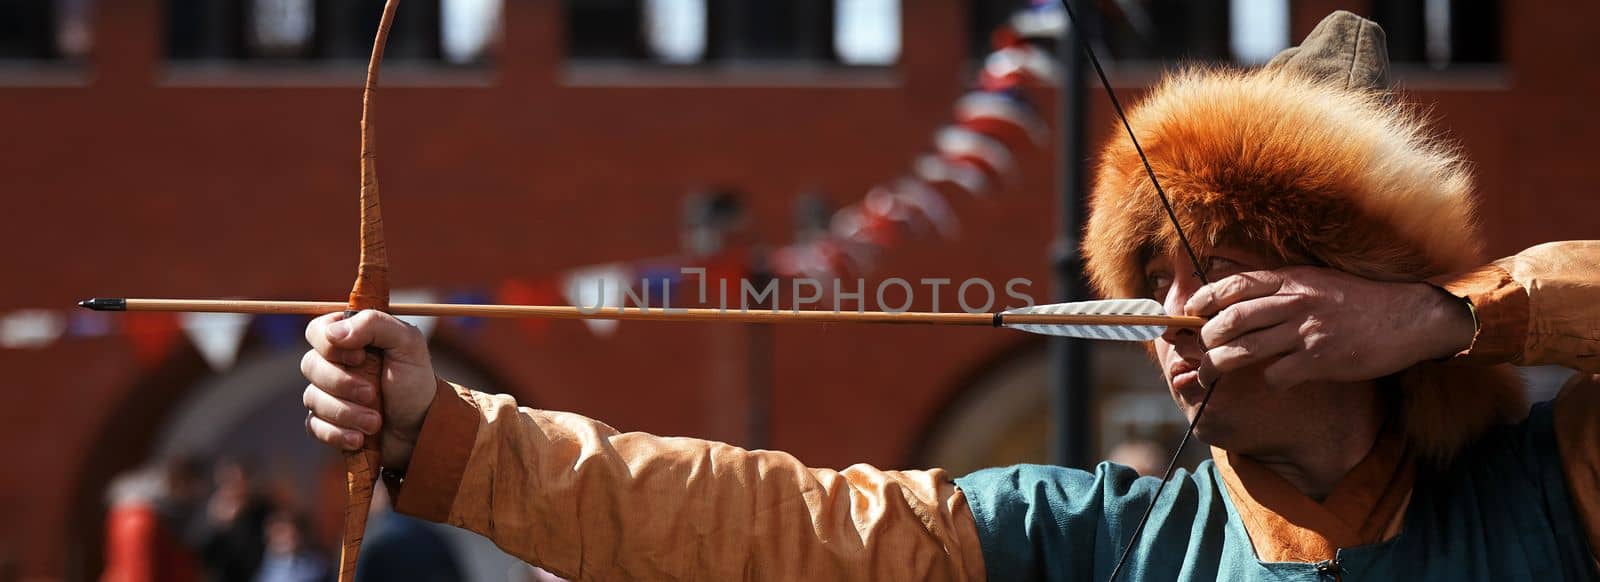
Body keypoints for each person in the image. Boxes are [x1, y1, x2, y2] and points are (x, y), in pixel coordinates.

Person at [298, 12, 1600, 581]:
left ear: (1346, 298)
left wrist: (1452, 315)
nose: (1171, 315)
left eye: (1220, 263)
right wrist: (439, 430)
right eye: (1152, 274)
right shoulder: (1096, 538)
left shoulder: (1552, 490)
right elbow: (774, 526)